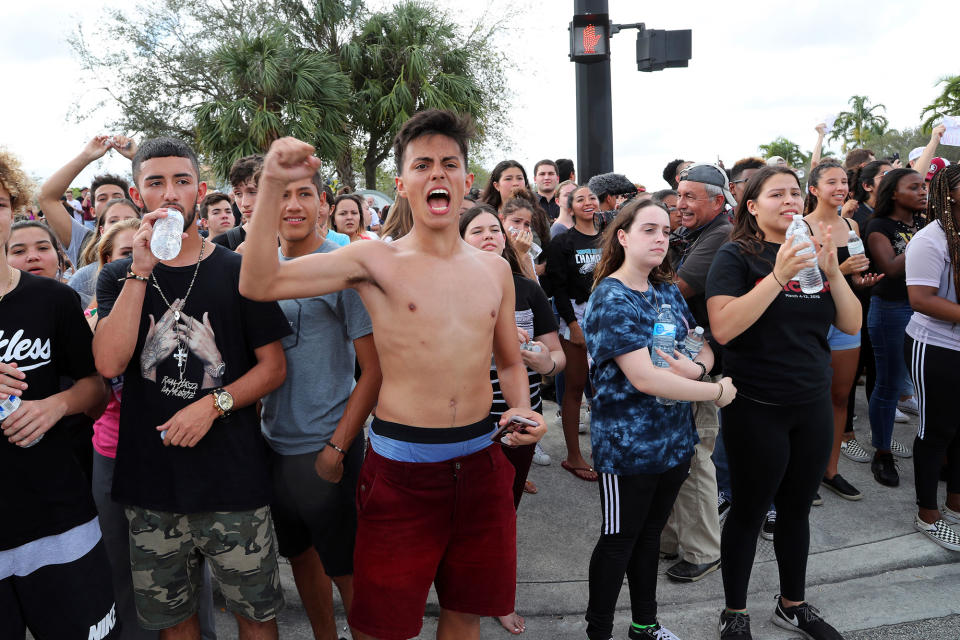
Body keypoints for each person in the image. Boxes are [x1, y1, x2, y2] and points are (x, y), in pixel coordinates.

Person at [238, 109, 547, 640]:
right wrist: (270, 181)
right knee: (384, 625)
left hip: (480, 461)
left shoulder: (494, 268)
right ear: (402, 185)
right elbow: (260, 283)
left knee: (465, 610)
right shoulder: (372, 260)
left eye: (449, 164)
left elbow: (511, 363)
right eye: (422, 165)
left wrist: (521, 408)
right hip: (402, 469)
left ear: (466, 181)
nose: (437, 174)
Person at [93, 137, 290, 640]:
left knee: (255, 615)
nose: (169, 193)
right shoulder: (119, 274)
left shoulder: (237, 270)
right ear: (138, 195)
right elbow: (109, 362)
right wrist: (140, 271)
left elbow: (272, 368)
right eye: (155, 182)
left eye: (181, 181)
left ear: (200, 190)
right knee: (173, 620)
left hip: (233, 479)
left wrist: (213, 405)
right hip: (151, 481)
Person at [706, 165, 860, 640]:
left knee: (796, 509)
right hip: (757, 403)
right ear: (752, 206)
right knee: (750, 512)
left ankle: (792, 604)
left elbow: (851, 324)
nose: (790, 200)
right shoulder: (736, 256)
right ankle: (735, 612)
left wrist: (832, 272)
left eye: (795, 192)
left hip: (810, 401)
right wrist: (777, 275)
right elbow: (725, 328)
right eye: (777, 194)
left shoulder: (814, 251)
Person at [582, 198, 735, 640]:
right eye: (649, 229)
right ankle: (599, 633)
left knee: (649, 537)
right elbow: (645, 378)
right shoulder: (610, 297)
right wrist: (716, 391)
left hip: (674, 441)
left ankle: (644, 624)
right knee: (618, 541)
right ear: (624, 236)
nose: (660, 239)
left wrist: (701, 368)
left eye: (666, 232)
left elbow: (698, 342)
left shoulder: (665, 288)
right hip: (628, 449)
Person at [1, 149, 119, 639]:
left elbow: (96, 387)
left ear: (14, 209)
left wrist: (58, 405)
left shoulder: (52, 298)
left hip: (59, 519)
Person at [259, 169, 381, 639]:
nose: (292, 204)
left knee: (347, 568)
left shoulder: (341, 266)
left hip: (329, 447)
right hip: (275, 447)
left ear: (323, 204)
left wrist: (337, 447)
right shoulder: (258, 267)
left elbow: (374, 369)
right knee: (300, 557)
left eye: (304, 194)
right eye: (282, 195)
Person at [459, 204, 564, 634]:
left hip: (518, 423)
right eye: (477, 230)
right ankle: (463, 595)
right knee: (465, 515)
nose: (489, 236)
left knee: (504, 515)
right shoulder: (445, 287)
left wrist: (538, 359)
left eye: (494, 230)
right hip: (464, 421)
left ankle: (499, 596)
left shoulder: (526, 289)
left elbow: (557, 358)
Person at [660, 164, 733, 583]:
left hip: (701, 365)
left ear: (717, 201)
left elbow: (675, 287)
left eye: (689, 197)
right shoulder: (697, 233)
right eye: (678, 195)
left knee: (695, 458)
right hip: (684, 360)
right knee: (679, 456)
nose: (679, 204)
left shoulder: (720, 235)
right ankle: (671, 540)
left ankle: (704, 549)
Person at [803, 161, 880, 501]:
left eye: (844, 181)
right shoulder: (799, 229)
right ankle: (802, 472)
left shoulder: (851, 224)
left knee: (840, 398)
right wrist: (840, 269)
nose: (840, 186)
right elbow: (795, 283)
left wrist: (859, 278)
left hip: (846, 321)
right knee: (808, 399)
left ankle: (830, 471)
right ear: (814, 189)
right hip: (810, 323)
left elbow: (851, 277)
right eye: (830, 181)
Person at [904, 164, 960, 552]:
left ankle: (956, 503)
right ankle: (927, 513)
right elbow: (921, 300)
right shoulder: (930, 239)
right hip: (935, 345)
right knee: (936, 430)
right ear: (951, 194)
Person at [863, 168, 928, 487]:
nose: (922, 191)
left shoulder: (924, 222)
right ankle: (882, 452)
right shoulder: (879, 226)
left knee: (925, 382)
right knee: (889, 384)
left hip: (926, 308)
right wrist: (923, 241)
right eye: (913, 187)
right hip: (892, 308)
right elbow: (888, 268)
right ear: (894, 193)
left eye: (923, 186)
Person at [545, 185, 602, 482]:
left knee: (606, 389)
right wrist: (573, 325)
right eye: (580, 198)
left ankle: (604, 451)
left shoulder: (611, 236)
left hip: (608, 317)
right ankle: (573, 455)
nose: (587, 202)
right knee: (576, 388)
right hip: (576, 319)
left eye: (592, 197)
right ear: (569, 206)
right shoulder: (563, 242)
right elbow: (558, 288)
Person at [38, 136, 136, 268]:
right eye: (102, 198)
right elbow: (46, 197)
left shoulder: (150, 236)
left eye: (117, 197)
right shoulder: (82, 241)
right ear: (92, 210)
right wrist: (87, 155)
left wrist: (136, 157)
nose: (111, 202)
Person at [69, 198, 142, 308]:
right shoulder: (83, 279)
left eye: (129, 220)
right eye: (113, 221)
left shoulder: (158, 274)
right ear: (102, 231)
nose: (122, 224)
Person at [212, 155, 262, 250]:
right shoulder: (222, 244)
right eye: (238, 193)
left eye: (252, 192)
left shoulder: (292, 237)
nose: (244, 203)